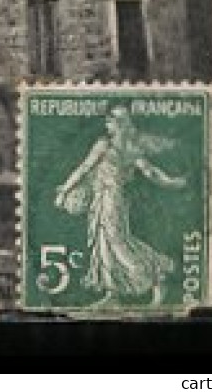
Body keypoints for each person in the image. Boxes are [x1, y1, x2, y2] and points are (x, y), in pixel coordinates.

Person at [54, 105, 187, 306]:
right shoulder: (119, 147)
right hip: (102, 199)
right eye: (109, 120)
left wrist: (172, 183)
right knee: (103, 244)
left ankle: (156, 277)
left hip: (112, 199)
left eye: (112, 120)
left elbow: (150, 172)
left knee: (116, 243)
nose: (109, 124)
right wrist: (172, 182)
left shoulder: (116, 147)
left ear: (119, 125)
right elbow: (86, 169)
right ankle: (112, 294)